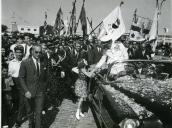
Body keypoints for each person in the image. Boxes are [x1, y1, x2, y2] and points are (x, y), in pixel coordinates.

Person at [19, 44, 48, 128]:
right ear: (32, 52)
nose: (38, 54)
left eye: (40, 52)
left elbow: (45, 76)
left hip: (40, 92)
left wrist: (44, 88)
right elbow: (21, 78)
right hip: (29, 92)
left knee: (38, 112)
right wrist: (26, 91)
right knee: (30, 112)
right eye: (36, 52)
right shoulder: (25, 62)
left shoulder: (43, 61)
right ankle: (31, 124)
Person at [8, 45, 24, 127]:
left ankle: (18, 120)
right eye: (17, 52)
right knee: (15, 101)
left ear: (22, 53)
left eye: (20, 52)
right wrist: (11, 81)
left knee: (21, 102)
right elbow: (9, 74)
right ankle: (13, 114)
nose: (18, 54)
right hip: (13, 83)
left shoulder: (25, 62)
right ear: (14, 53)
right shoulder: (11, 63)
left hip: (22, 83)